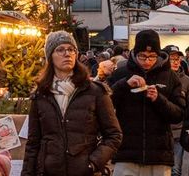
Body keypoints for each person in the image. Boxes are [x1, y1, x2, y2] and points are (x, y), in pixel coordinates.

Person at [20, 30, 122, 176]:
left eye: (71, 49)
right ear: (50, 56)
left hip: (84, 172)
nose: (67, 54)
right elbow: (33, 143)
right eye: (60, 50)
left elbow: (114, 135)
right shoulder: (41, 95)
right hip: (50, 171)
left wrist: (93, 163)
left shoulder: (94, 91)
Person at [108, 29, 187, 176]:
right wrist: (124, 85)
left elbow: (179, 114)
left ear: (158, 54)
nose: (147, 61)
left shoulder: (170, 76)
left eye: (152, 57)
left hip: (159, 155)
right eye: (142, 56)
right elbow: (106, 104)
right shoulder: (121, 73)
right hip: (126, 153)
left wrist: (159, 99)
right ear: (134, 53)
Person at [166, 45, 189, 176]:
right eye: (172, 59)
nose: (175, 62)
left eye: (177, 59)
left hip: (178, 132)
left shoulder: (187, 82)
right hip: (158, 132)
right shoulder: (158, 78)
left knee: (175, 169)